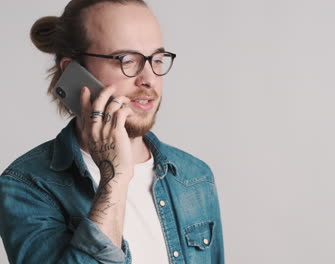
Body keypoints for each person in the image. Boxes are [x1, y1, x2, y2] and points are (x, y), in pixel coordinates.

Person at [0, 0, 224, 263]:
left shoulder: (195, 177)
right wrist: (114, 180)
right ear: (73, 71)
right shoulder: (27, 185)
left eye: (157, 59)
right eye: (127, 60)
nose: (148, 79)